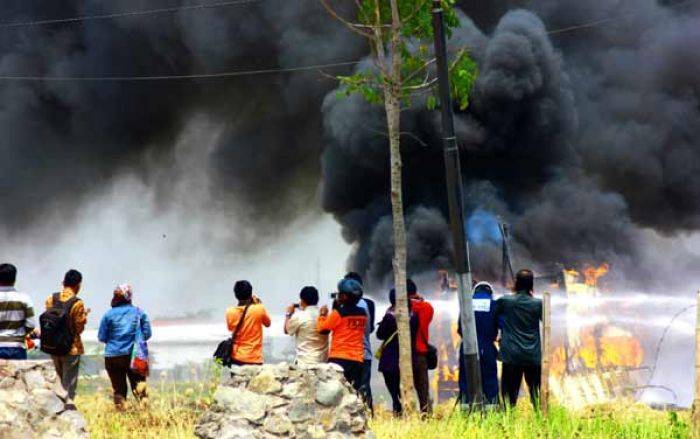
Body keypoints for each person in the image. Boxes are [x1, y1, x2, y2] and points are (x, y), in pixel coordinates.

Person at [98, 284, 152, 409]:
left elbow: (101, 337)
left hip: (113, 356)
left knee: (119, 390)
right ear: (129, 297)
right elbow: (148, 334)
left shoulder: (108, 315)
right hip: (135, 356)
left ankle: (121, 416)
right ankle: (145, 416)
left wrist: (114, 341)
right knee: (140, 389)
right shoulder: (139, 313)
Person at [494, 269, 543, 408]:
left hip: (511, 355)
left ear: (516, 283)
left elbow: (491, 316)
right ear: (531, 285)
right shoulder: (538, 304)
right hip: (532, 356)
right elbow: (546, 322)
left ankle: (507, 425)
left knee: (508, 399)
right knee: (537, 395)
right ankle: (541, 421)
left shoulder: (505, 301)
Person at [44, 269, 88, 401]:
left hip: (52, 347)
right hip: (71, 348)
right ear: (78, 285)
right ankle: (66, 415)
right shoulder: (77, 303)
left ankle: (54, 412)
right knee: (68, 387)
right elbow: (78, 329)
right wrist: (84, 317)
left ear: (63, 282)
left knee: (56, 383)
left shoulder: (51, 299)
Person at [317, 278, 367, 391]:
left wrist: (322, 315)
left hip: (339, 358)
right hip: (357, 359)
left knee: (336, 392)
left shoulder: (339, 313)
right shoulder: (363, 313)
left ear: (344, 296)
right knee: (354, 391)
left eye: (340, 294)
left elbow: (322, 329)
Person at [376, 288, 418, 415]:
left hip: (390, 362)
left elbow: (380, 334)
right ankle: (408, 414)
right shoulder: (413, 316)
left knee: (395, 395)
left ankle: (398, 413)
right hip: (408, 360)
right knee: (405, 392)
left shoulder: (389, 316)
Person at [458, 281, 499, 407]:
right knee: (490, 379)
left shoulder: (466, 304)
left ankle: (465, 408)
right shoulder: (494, 305)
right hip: (487, 348)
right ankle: (491, 408)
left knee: (466, 379)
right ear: (490, 293)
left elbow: (460, 329)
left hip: (467, 347)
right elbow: (499, 327)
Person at [344, 272, 375, 412]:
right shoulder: (369, 304)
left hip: (347, 355)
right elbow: (370, 328)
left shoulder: (342, 306)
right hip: (364, 353)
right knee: (364, 387)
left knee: (347, 388)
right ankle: (369, 415)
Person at [225, 280, 271, 366]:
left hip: (237, 357)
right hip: (255, 358)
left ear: (235, 295)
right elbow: (268, 324)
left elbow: (230, 328)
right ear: (251, 293)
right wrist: (257, 303)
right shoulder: (259, 309)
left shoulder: (229, 312)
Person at [0, 263, 37, 360]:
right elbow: (31, 324)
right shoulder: (24, 299)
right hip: (17, 347)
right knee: (17, 375)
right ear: (14, 280)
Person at [407, 278, 434, 413]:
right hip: (420, 355)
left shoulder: (399, 308)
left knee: (404, 389)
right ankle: (426, 416)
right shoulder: (427, 308)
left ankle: (405, 415)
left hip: (404, 356)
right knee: (423, 391)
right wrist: (419, 300)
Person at [284, 286, 328, 366]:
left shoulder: (299, 316)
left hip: (304, 362)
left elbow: (287, 330)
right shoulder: (324, 316)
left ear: (302, 301)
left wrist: (288, 314)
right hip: (323, 363)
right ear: (317, 299)